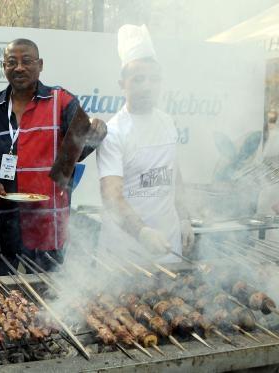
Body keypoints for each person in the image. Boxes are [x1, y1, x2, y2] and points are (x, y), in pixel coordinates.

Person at [0, 38, 107, 275]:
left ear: (40, 65)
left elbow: (77, 152)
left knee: (46, 299)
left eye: (27, 61)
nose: (19, 67)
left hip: (48, 223)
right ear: (3, 67)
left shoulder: (63, 101)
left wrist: (97, 132)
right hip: (1, 222)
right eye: (11, 62)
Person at [96, 24, 194, 262]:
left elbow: (174, 173)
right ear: (122, 84)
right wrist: (141, 232)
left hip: (168, 245)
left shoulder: (167, 122)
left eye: (154, 79)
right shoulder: (114, 132)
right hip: (125, 248)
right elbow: (111, 195)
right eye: (138, 79)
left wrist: (184, 217)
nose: (147, 86)